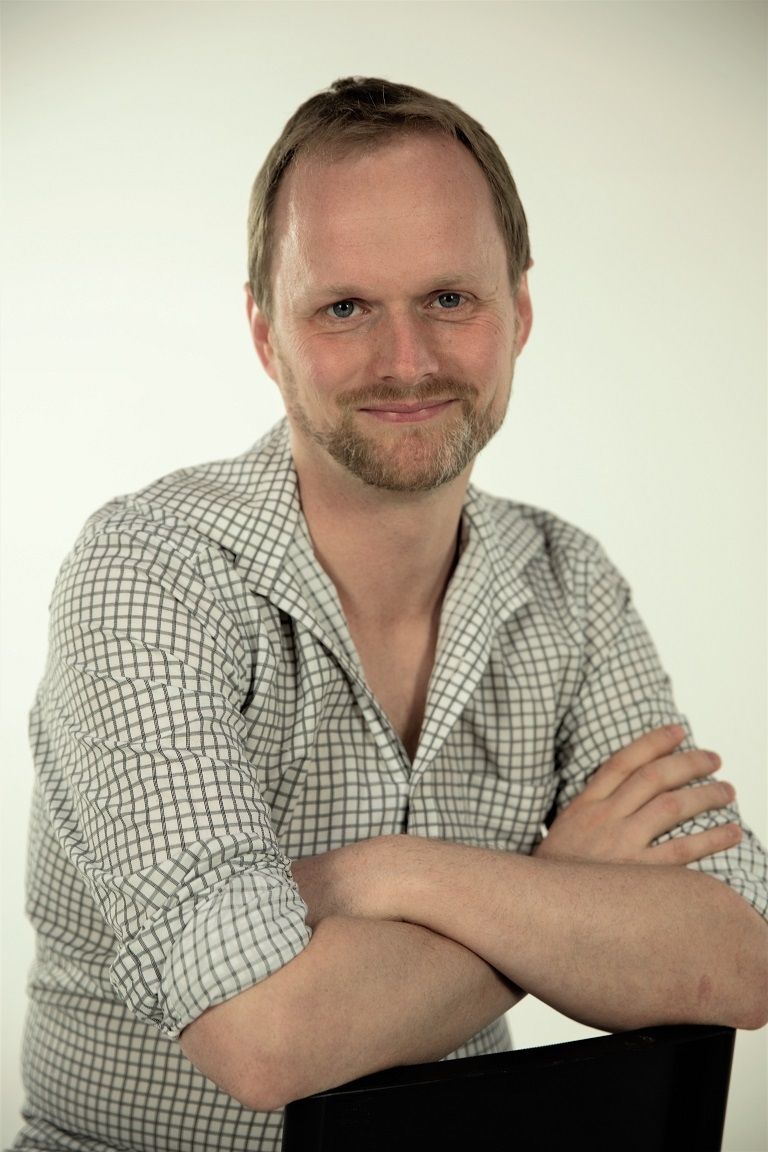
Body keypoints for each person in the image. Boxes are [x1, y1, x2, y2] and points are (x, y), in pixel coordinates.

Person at [14, 77, 767, 1152]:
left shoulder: (571, 584)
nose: (405, 360)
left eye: (449, 299)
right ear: (267, 333)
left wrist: (387, 875)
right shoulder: (150, 572)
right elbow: (262, 1040)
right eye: (345, 307)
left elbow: (736, 952)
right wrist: (559, 894)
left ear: (520, 310)